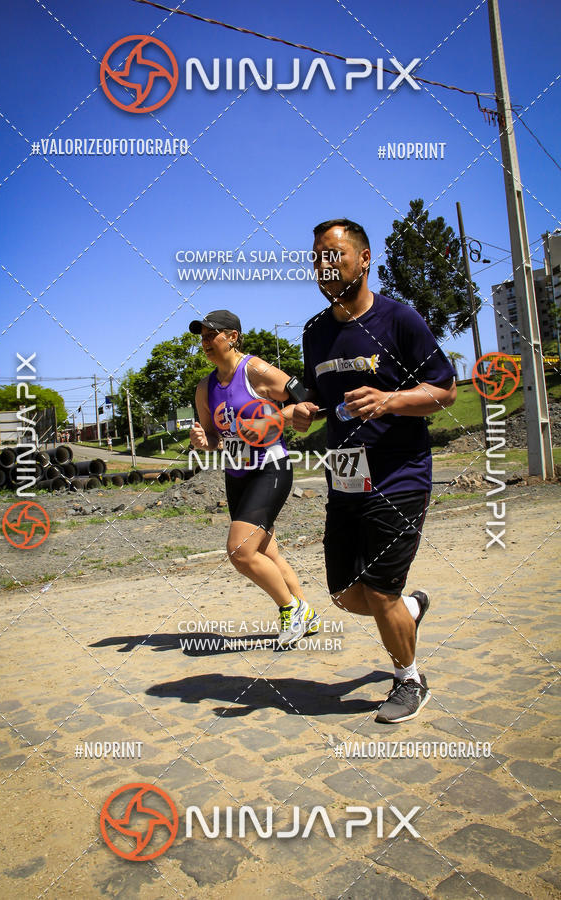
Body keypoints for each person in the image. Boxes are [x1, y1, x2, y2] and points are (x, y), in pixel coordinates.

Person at [293, 219, 456, 723]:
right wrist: (301, 412)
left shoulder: (399, 319)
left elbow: (444, 391)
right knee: (344, 593)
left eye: (334, 254)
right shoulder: (315, 332)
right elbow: (316, 399)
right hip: (343, 474)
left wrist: (391, 400)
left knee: (382, 590)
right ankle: (407, 612)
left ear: (364, 260)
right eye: (317, 255)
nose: (324, 264)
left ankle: (408, 679)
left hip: (398, 474)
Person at [189, 309, 321, 647]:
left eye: (211, 335)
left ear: (232, 337)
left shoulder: (255, 370)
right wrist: (205, 442)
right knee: (267, 551)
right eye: (201, 337)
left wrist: (271, 420)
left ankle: (291, 610)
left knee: (240, 551)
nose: (205, 342)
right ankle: (309, 614)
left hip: (270, 468)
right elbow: (214, 436)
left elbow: (305, 401)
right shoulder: (205, 388)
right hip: (236, 474)